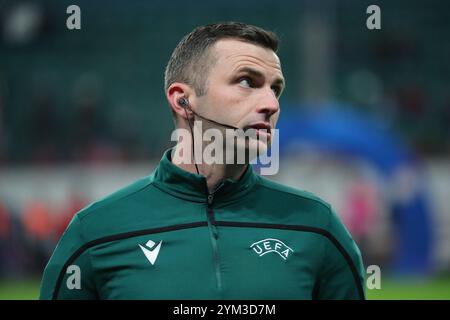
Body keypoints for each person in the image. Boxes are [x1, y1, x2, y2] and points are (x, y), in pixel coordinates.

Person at [40, 22, 365, 300]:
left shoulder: (317, 226)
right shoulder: (96, 232)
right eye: (247, 81)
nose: (270, 103)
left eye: (275, 89)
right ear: (183, 100)